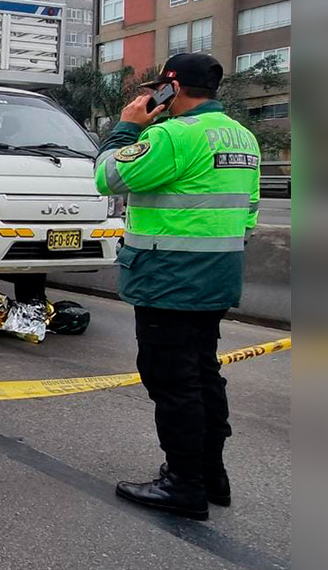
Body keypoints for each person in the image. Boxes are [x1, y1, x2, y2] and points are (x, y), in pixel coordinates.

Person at [95, 53, 260, 521]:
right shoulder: (242, 136)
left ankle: (183, 484)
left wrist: (127, 126)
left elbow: (106, 176)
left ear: (171, 86)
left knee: (173, 382)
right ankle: (211, 476)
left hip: (168, 278)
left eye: (157, 89)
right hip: (217, 276)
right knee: (204, 374)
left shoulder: (170, 135)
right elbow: (248, 211)